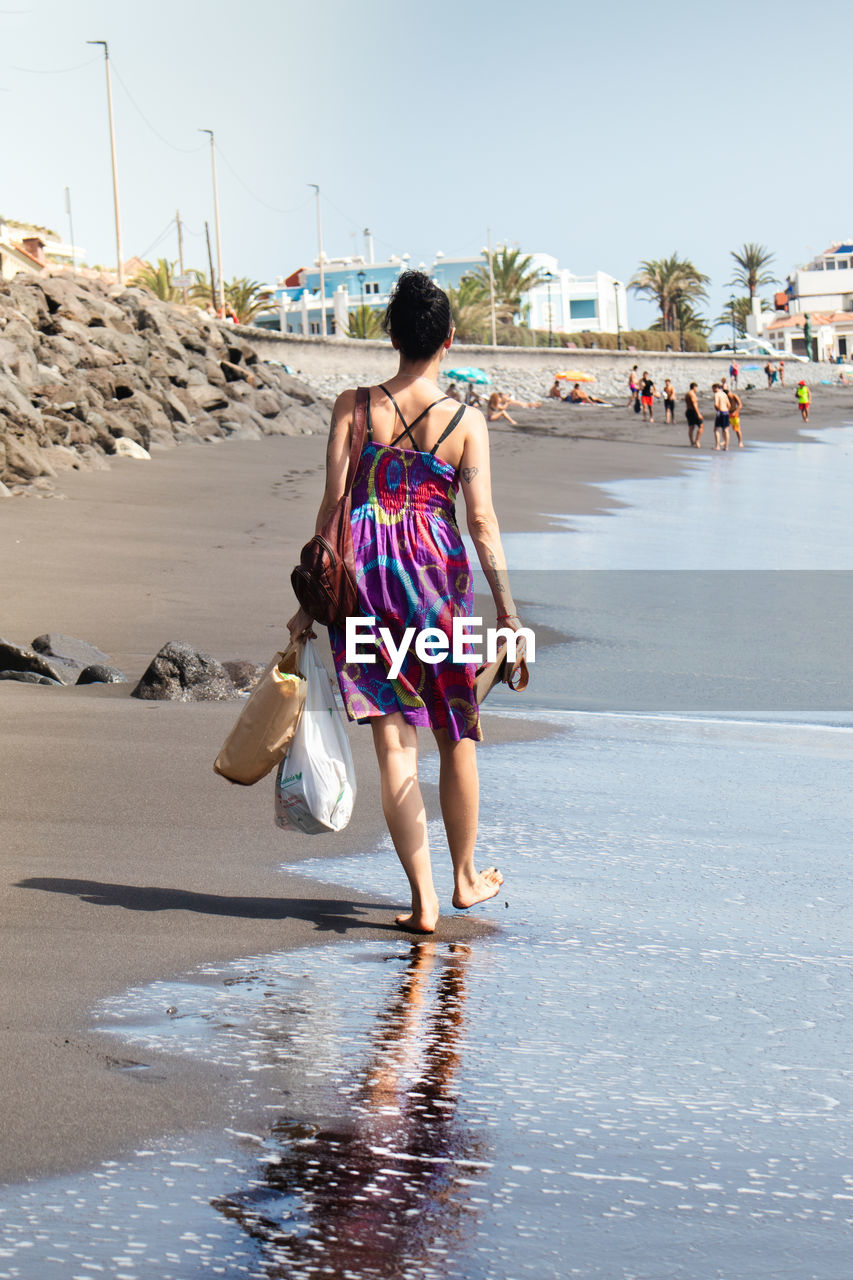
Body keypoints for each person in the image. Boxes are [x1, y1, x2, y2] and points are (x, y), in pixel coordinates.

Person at [287, 270, 523, 934]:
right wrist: (506, 611)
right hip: (436, 583)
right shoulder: (467, 421)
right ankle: (464, 879)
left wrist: (311, 600)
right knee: (455, 735)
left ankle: (421, 901)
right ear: (448, 339)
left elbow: (333, 506)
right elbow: (481, 522)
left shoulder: (353, 406)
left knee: (395, 746)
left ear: (390, 335)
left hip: (367, 581)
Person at [713, 382, 731, 450]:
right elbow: (729, 405)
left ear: (716, 388)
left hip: (720, 412)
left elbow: (716, 404)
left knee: (716, 429)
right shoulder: (724, 394)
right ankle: (726, 446)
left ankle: (717, 446)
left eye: (713, 389)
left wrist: (718, 410)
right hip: (726, 412)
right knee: (725, 429)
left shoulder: (717, 394)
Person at [685, 382, 703, 447]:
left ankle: (692, 442)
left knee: (691, 427)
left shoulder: (687, 394)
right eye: (696, 388)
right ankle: (697, 441)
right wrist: (698, 413)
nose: (696, 390)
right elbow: (694, 404)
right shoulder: (692, 394)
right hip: (693, 411)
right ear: (694, 387)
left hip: (688, 411)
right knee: (701, 426)